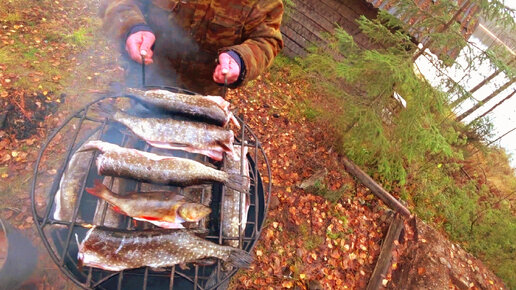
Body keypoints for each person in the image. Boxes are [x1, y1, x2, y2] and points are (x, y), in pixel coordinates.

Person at [99, 0, 284, 95]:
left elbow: (267, 40)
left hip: (201, 98)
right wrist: (133, 27)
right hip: (145, 80)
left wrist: (241, 59)